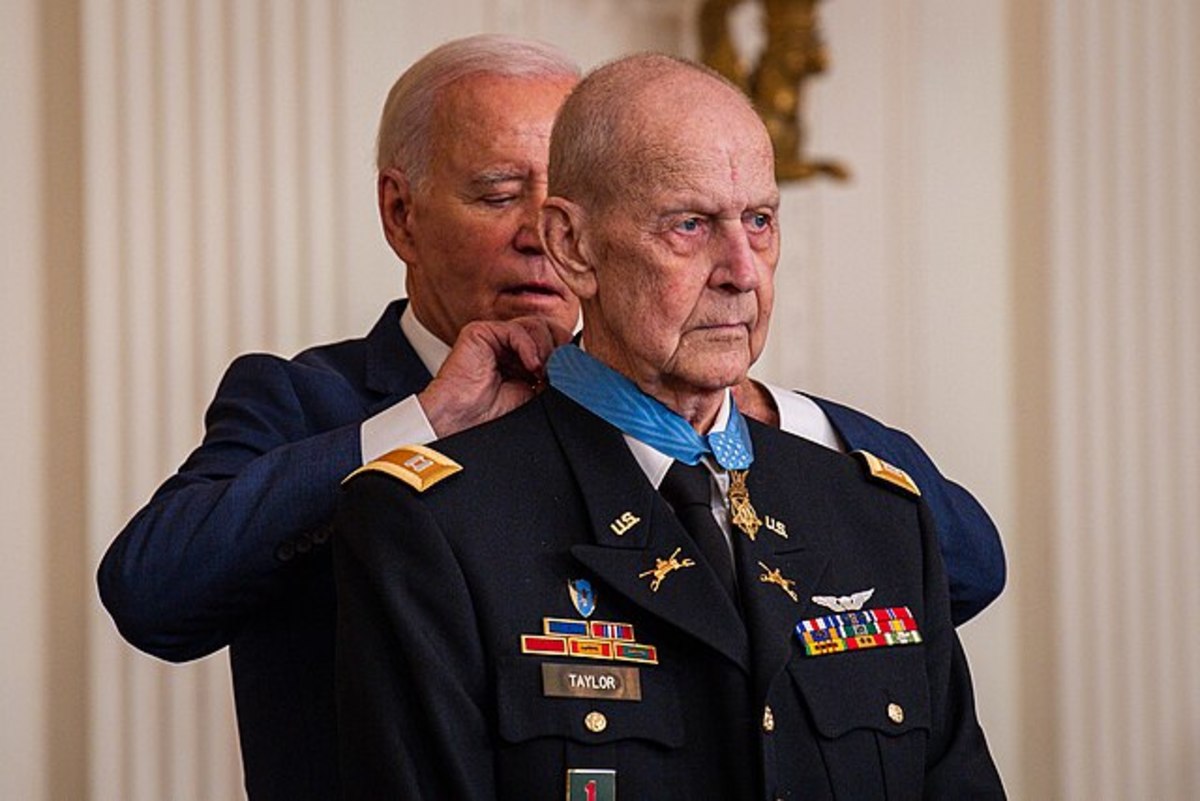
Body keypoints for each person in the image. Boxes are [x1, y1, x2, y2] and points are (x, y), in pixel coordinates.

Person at [97, 33, 1001, 801]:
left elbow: (952, 567)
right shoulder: (311, 405)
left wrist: (750, 413)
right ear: (400, 213)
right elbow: (154, 593)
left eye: (561, 191)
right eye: (500, 194)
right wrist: (422, 421)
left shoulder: (740, 422)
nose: (540, 230)